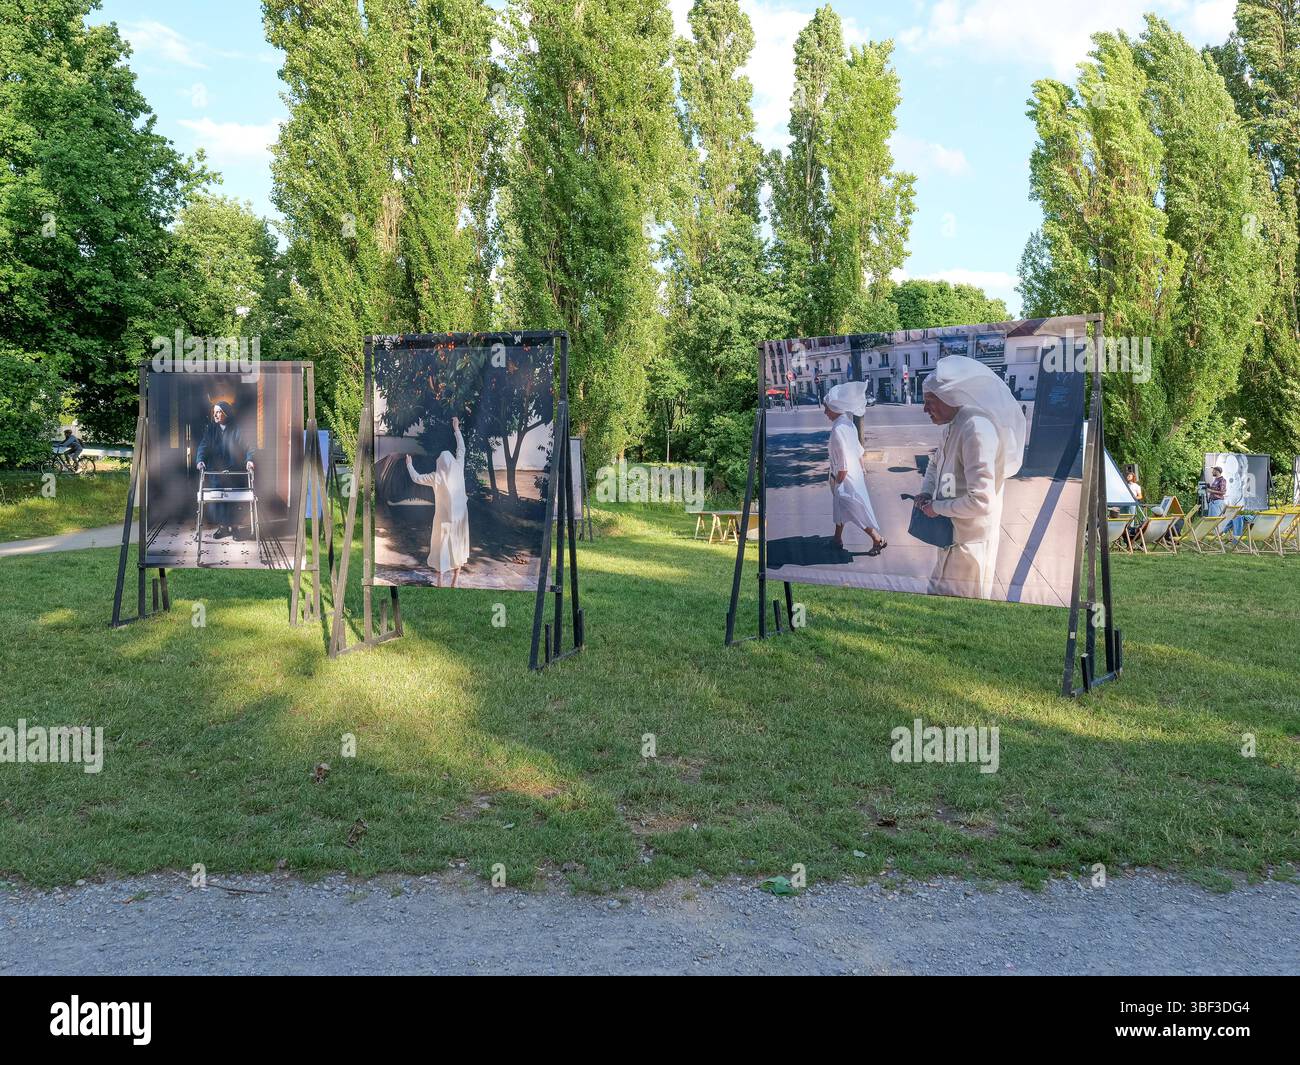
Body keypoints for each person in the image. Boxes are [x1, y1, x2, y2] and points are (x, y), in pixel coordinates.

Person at [914, 356, 1026, 599]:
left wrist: (936, 507)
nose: (924, 409)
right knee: (936, 605)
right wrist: (926, 491)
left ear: (949, 397)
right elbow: (935, 463)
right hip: (951, 535)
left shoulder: (976, 429)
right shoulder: (954, 425)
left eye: (929, 402)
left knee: (961, 615)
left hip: (969, 547)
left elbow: (982, 501)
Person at [822, 382, 886, 556]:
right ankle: (837, 540)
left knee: (855, 510)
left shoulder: (837, 430)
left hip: (845, 478)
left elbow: (842, 464)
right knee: (842, 509)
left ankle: (877, 539)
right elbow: (858, 451)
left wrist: (838, 483)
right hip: (855, 474)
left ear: (835, 408)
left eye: (827, 408)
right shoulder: (848, 423)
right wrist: (862, 470)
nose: (825, 412)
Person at [405, 416, 469, 587]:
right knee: (459, 549)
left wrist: (409, 464)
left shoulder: (436, 477)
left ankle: (440, 581)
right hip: (461, 519)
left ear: (439, 464)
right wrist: (456, 429)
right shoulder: (458, 467)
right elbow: (461, 449)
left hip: (443, 521)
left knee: (441, 549)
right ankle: (455, 581)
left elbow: (416, 478)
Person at [195, 401, 255, 540]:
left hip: (234, 471)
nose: (215, 415)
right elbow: (203, 446)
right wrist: (200, 460)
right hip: (216, 472)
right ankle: (222, 527)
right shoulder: (211, 429)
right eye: (214, 412)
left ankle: (234, 527)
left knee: (234, 500)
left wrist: (250, 460)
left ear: (225, 413)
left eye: (218, 412)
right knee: (218, 500)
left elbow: (248, 446)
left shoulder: (237, 428)